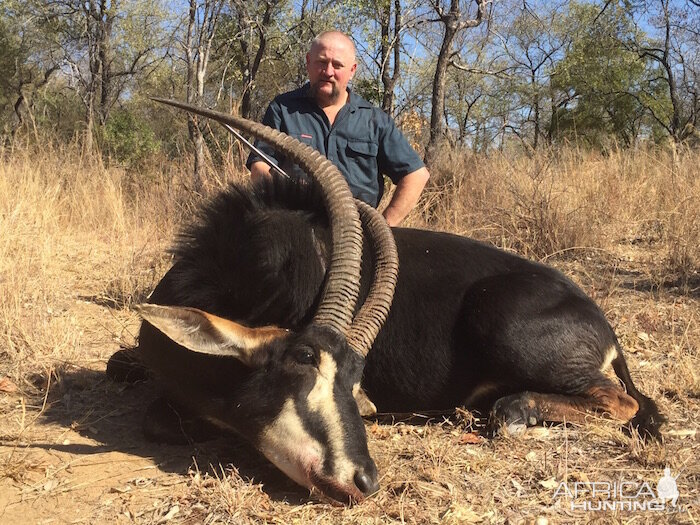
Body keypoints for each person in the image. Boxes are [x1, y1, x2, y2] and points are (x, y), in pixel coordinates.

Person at [246, 30, 430, 227]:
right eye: (321, 62)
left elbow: (416, 175)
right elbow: (260, 166)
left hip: (357, 232)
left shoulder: (375, 120)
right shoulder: (282, 108)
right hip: (297, 227)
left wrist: (385, 227)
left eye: (338, 65)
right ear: (308, 62)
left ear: (352, 70)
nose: (328, 72)